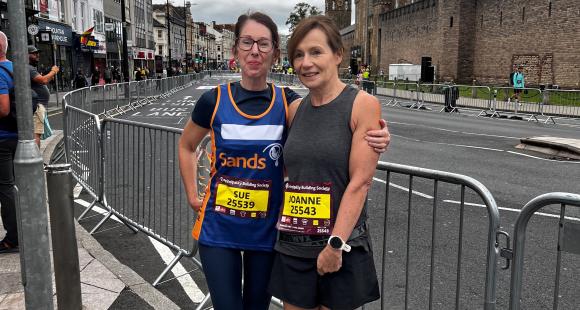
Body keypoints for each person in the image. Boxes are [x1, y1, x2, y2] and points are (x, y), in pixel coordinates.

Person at [178, 12, 390, 310]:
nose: (255, 50)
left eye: (264, 44)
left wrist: (377, 135)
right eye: (247, 42)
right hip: (227, 228)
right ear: (235, 50)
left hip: (270, 230)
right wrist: (192, 195)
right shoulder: (217, 101)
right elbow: (187, 145)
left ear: (275, 53)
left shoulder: (288, 103)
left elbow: (330, 121)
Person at [267, 16, 381, 310]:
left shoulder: (361, 104)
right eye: (299, 55)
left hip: (339, 245)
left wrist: (335, 244)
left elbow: (360, 182)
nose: (306, 63)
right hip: (295, 242)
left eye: (316, 52)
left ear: (338, 55)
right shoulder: (294, 109)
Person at [0, 31, 19, 253]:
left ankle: (13, 237)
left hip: (3, 139)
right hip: (17, 135)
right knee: (16, 186)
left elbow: (3, 109)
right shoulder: (14, 67)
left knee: (5, 189)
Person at [29, 46, 57, 147]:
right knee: (36, 135)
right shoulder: (29, 68)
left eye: (37, 53)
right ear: (26, 55)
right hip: (36, 107)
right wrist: (53, 71)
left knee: (37, 134)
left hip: (38, 106)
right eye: (34, 53)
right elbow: (43, 80)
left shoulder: (32, 68)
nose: (37, 55)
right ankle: (36, 160)